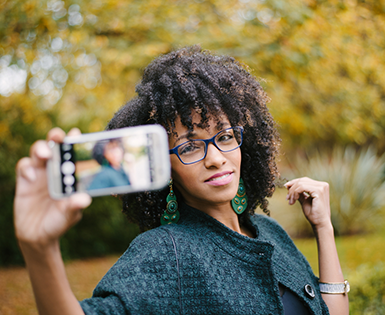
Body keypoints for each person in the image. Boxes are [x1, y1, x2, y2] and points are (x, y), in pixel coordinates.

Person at [14, 46, 349, 315]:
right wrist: (40, 250)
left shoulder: (270, 232)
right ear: (166, 165)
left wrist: (324, 228)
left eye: (225, 135)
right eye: (190, 146)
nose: (216, 157)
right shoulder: (165, 251)